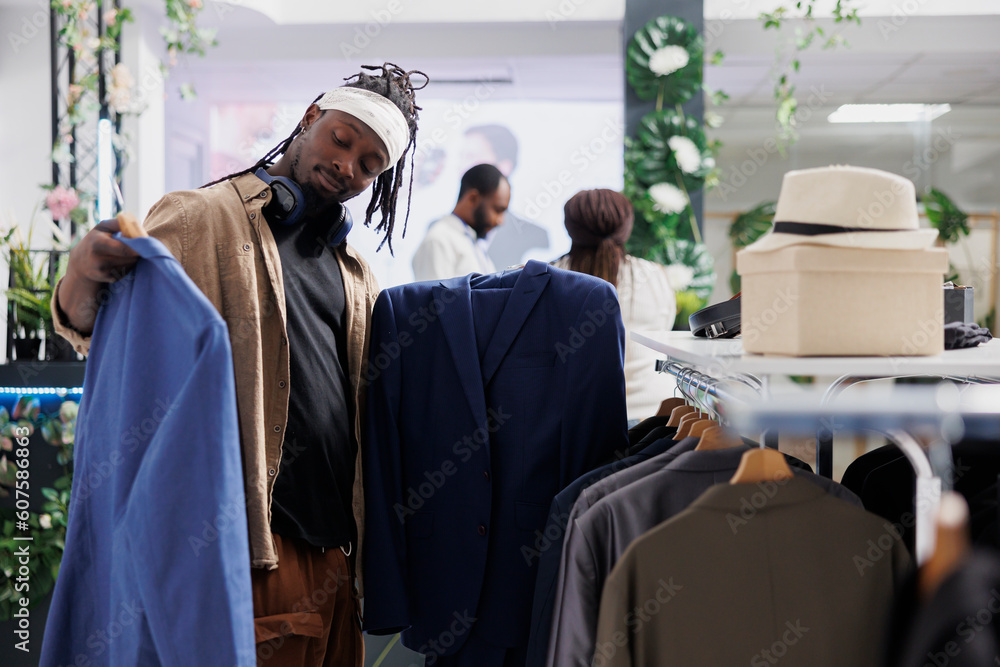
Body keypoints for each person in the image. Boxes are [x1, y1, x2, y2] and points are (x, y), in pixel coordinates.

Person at [50, 62, 425, 667]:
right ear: (310, 118)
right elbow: (106, 329)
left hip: (337, 561)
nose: (348, 165)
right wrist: (80, 277)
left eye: (370, 163)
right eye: (342, 138)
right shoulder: (202, 218)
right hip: (257, 549)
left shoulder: (356, 274)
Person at [552, 188, 677, 421]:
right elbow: (664, 333)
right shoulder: (654, 276)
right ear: (626, 227)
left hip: (573, 422)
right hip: (653, 416)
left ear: (570, 227)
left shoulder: (547, 279)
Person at [460, 124, 550, 269]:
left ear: (504, 167)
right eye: (461, 157)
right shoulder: (440, 235)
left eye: (472, 156)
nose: (462, 166)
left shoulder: (535, 237)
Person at [411, 163, 509, 281]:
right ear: (473, 199)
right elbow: (431, 298)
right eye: (497, 210)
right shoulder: (439, 240)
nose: (500, 221)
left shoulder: (474, 245)